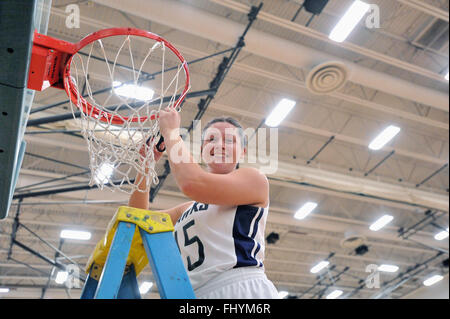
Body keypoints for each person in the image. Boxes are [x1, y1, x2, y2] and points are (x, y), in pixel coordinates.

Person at [128, 107, 279, 299]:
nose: (221, 144)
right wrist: (145, 164)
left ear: (242, 152)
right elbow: (136, 221)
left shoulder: (255, 180)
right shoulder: (187, 208)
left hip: (241, 287)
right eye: (212, 139)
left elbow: (192, 183)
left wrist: (171, 133)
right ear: (202, 151)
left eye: (230, 140)